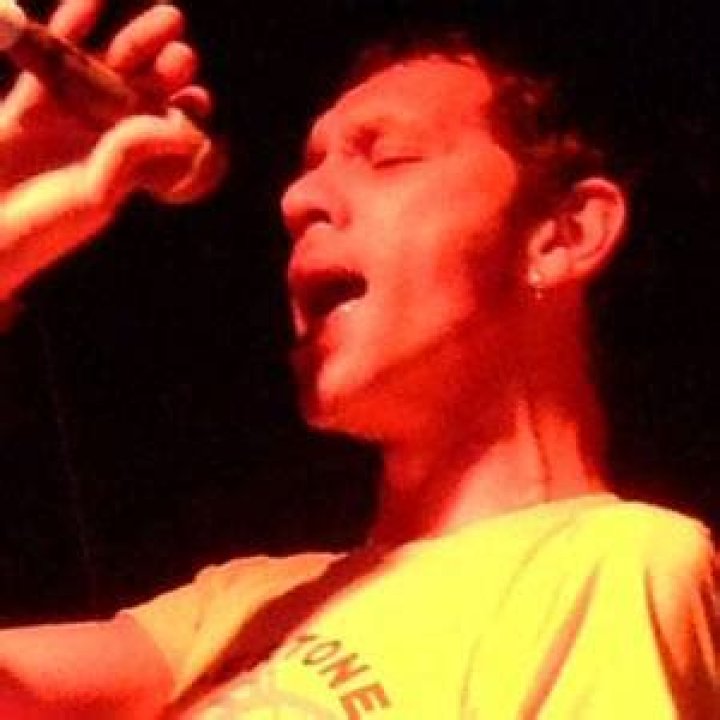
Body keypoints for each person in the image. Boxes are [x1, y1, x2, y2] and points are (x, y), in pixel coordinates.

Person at [0, 1, 717, 717]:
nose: (297, 199)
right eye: (308, 169)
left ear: (564, 234)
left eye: (388, 157)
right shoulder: (242, 604)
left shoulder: (612, 564)